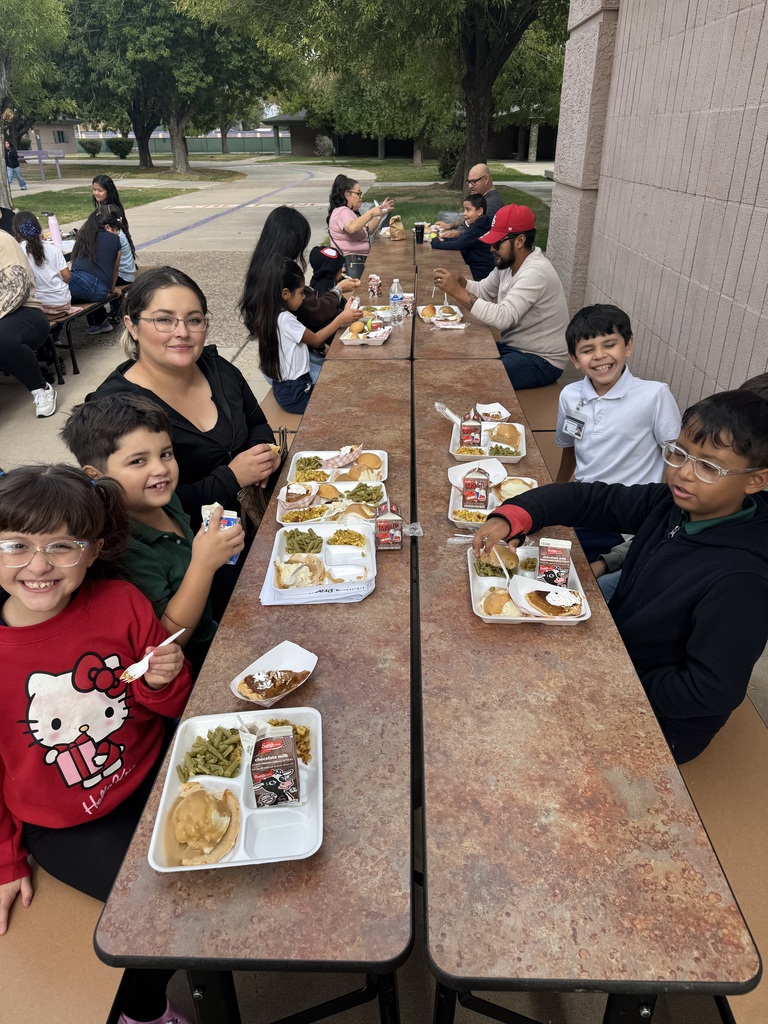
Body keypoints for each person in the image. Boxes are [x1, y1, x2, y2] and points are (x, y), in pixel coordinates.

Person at [473, 389, 768, 764]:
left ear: (755, 481)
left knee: (518, 736)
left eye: (709, 466)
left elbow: (710, 691)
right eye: (679, 453)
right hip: (623, 648)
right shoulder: (675, 504)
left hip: (663, 722)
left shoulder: (742, 580)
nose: (683, 472)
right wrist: (513, 516)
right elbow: (592, 499)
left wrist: (616, 678)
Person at [0, 464, 194, 1024]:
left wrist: (163, 680)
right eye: (16, 545)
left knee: (217, 876)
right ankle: (144, 1011)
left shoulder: (122, 603)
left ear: (93, 550)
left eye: (62, 546)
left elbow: (175, 703)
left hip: (157, 771)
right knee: (153, 916)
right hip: (66, 825)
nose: (38, 565)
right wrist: (7, 858)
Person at [61, 395, 245, 678]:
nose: (160, 469)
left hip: (218, 630)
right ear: (95, 475)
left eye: (166, 454)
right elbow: (166, 640)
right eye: (138, 461)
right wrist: (203, 564)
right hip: (194, 671)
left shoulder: (166, 502)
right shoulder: (125, 548)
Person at [88, 266, 279, 531]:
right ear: (132, 325)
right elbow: (138, 507)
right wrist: (231, 478)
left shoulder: (218, 369)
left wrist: (264, 453)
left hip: (257, 523)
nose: (182, 332)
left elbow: (256, 423)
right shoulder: (112, 408)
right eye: (164, 320)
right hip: (187, 553)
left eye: (194, 319)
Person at [555, 304, 681, 561]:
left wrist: (666, 516)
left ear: (628, 346)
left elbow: (676, 456)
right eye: (588, 350)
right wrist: (556, 492)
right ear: (575, 360)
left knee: (572, 567)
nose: (600, 356)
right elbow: (569, 446)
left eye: (609, 344)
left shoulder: (654, 395)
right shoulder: (570, 395)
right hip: (584, 504)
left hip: (627, 519)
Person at [434, 204, 569, 390]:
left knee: (471, 377)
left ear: (520, 241)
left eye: (497, 242)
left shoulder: (535, 271)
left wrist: (457, 291)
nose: (491, 248)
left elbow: (503, 318)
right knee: (460, 355)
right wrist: (462, 282)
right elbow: (482, 290)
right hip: (517, 348)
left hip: (542, 360)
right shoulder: (508, 264)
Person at [239, 206, 359, 381]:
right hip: (292, 372)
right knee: (343, 379)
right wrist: (338, 293)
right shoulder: (279, 277)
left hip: (281, 363)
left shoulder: (262, 269)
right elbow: (313, 312)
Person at [246, 255, 358, 414]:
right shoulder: (285, 319)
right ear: (285, 293)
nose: (304, 297)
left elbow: (313, 341)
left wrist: (324, 347)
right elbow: (316, 338)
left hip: (285, 389)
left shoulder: (268, 315)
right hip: (297, 393)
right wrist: (341, 318)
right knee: (343, 400)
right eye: (301, 293)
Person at [0, 229, 57, 417]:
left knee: (3, 338)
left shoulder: (3, 241)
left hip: (25, 312)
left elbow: (18, 288)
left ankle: (41, 388)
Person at [327, 175, 394, 278]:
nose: (361, 197)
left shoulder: (350, 212)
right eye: (358, 193)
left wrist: (379, 213)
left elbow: (368, 231)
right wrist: (371, 212)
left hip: (358, 264)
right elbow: (352, 228)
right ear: (347, 195)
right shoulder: (342, 211)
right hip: (350, 268)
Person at [68, 208, 122, 335]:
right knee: (54, 294)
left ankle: (52, 337)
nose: (117, 233)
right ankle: (100, 321)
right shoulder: (115, 241)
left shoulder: (83, 238)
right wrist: (113, 288)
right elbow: (115, 269)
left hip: (85, 283)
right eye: (116, 230)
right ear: (108, 227)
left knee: (50, 292)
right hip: (101, 290)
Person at [12, 211, 73, 316]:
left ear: (16, 232)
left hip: (40, 304)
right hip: (64, 301)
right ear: (39, 229)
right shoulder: (53, 248)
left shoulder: (18, 252)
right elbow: (67, 277)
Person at [430, 194, 495, 280]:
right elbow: (463, 239)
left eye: (468, 210)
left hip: (480, 273)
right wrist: (445, 239)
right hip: (480, 269)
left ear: (479, 211)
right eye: (464, 210)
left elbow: (458, 244)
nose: (464, 213)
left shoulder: (478, 228)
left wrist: (435, 242)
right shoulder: (481, 224)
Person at [435, 163, 502, 235]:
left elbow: (480, 232)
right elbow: (467, 217)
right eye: (469, 182)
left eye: (473, 182)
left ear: (486, 180)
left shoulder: (492, 204)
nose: (470, 186)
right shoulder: (481, 198)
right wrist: (449, 225)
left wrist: (456, 234)